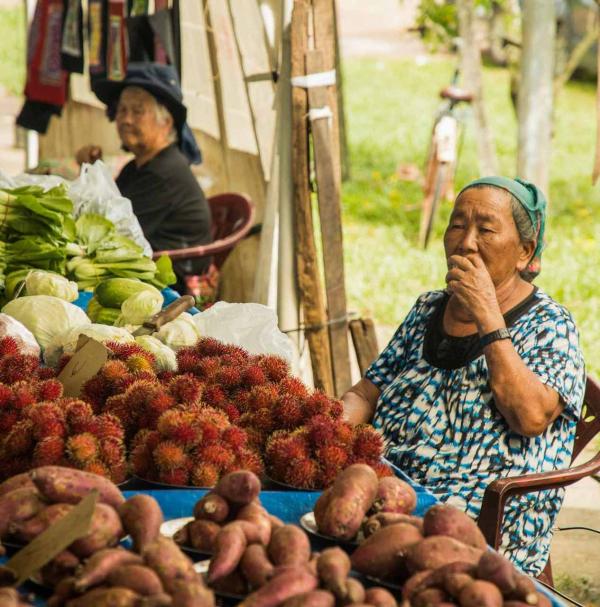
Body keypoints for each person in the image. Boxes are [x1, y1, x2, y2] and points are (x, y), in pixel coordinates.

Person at [342, 176, 585, 577]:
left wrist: (488, 316)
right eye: (457, 225)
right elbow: (370, 390)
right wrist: (333, 420)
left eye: (485, 229)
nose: (466, 242)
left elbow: (530, 417)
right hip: (390, 487)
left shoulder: (550, 324)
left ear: (525, 252)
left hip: (471, 517)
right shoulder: (428, 309)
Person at [76, 63, 213, 294]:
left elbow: (111, 231)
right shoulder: (137, 167)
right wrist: (92, 171)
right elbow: (106, 211)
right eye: (122, 110)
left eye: (138, 111)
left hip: (167, 285)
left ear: (166, 122)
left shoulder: (163, 173)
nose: (126, 120)